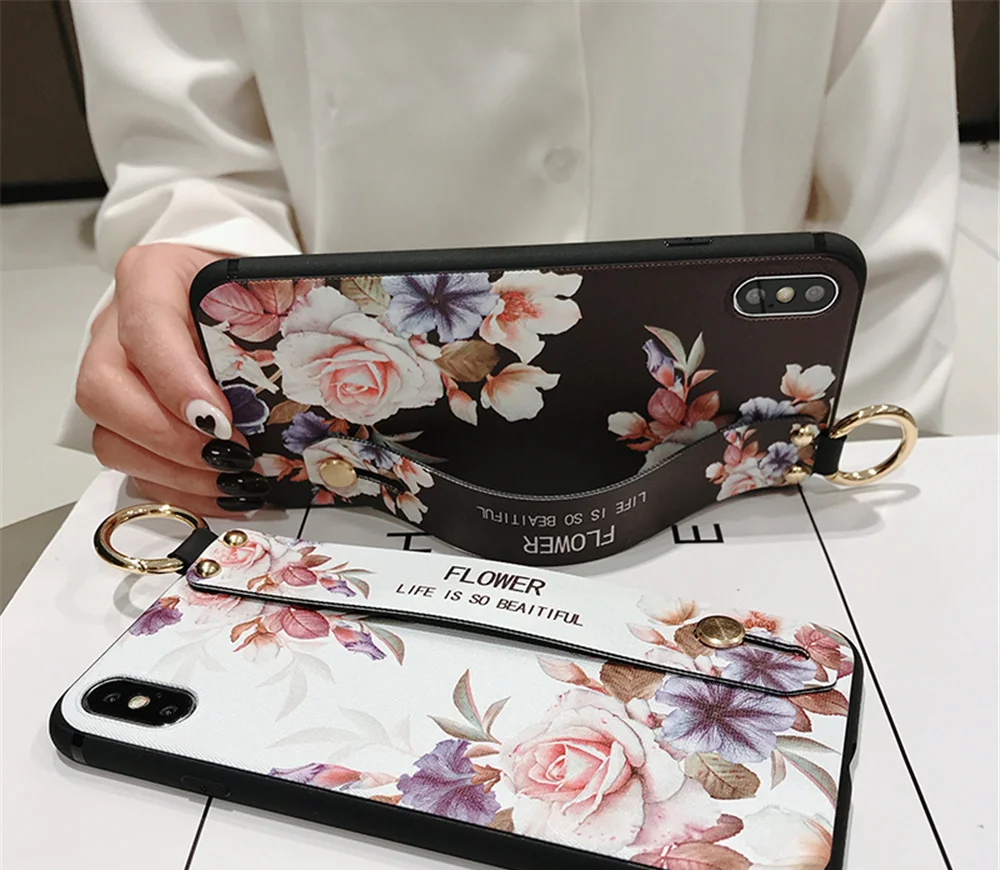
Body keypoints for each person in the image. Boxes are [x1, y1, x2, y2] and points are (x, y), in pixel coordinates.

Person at [60, 0, 959, 515]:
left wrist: (842, 493)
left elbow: (888, 198)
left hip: (736, 453)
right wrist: (204, 278)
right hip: (337, 465)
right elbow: (190, 144)